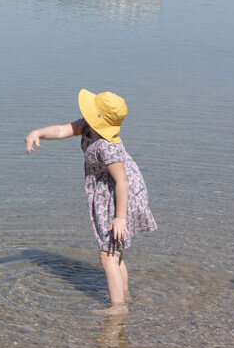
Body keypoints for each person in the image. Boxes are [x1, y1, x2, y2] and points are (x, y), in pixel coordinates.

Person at [26, 89, 157, 312]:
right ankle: (126, 296)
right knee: (115, 252)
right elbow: (60, 130)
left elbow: (122, 181)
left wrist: (120, 218)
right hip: (113, 191)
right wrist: (37, 133)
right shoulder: (86, 126)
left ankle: (117, 308)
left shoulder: (107, 145)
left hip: (119, 195)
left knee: (107, 256)